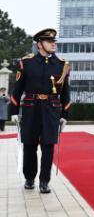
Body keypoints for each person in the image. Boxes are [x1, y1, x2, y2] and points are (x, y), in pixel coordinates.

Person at [10, 28, 71, 193]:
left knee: (48, 145)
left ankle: (44, 181)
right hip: (31, 108)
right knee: (29, 144)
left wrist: (64, 114)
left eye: (54, 41)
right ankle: (29, 178)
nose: (53, 44)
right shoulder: (27, 63)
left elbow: (65, 92)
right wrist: (14, 111)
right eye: (49, 41)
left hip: (52, 110)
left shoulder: (61, 65)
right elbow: (17, 89)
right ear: (39, 44)